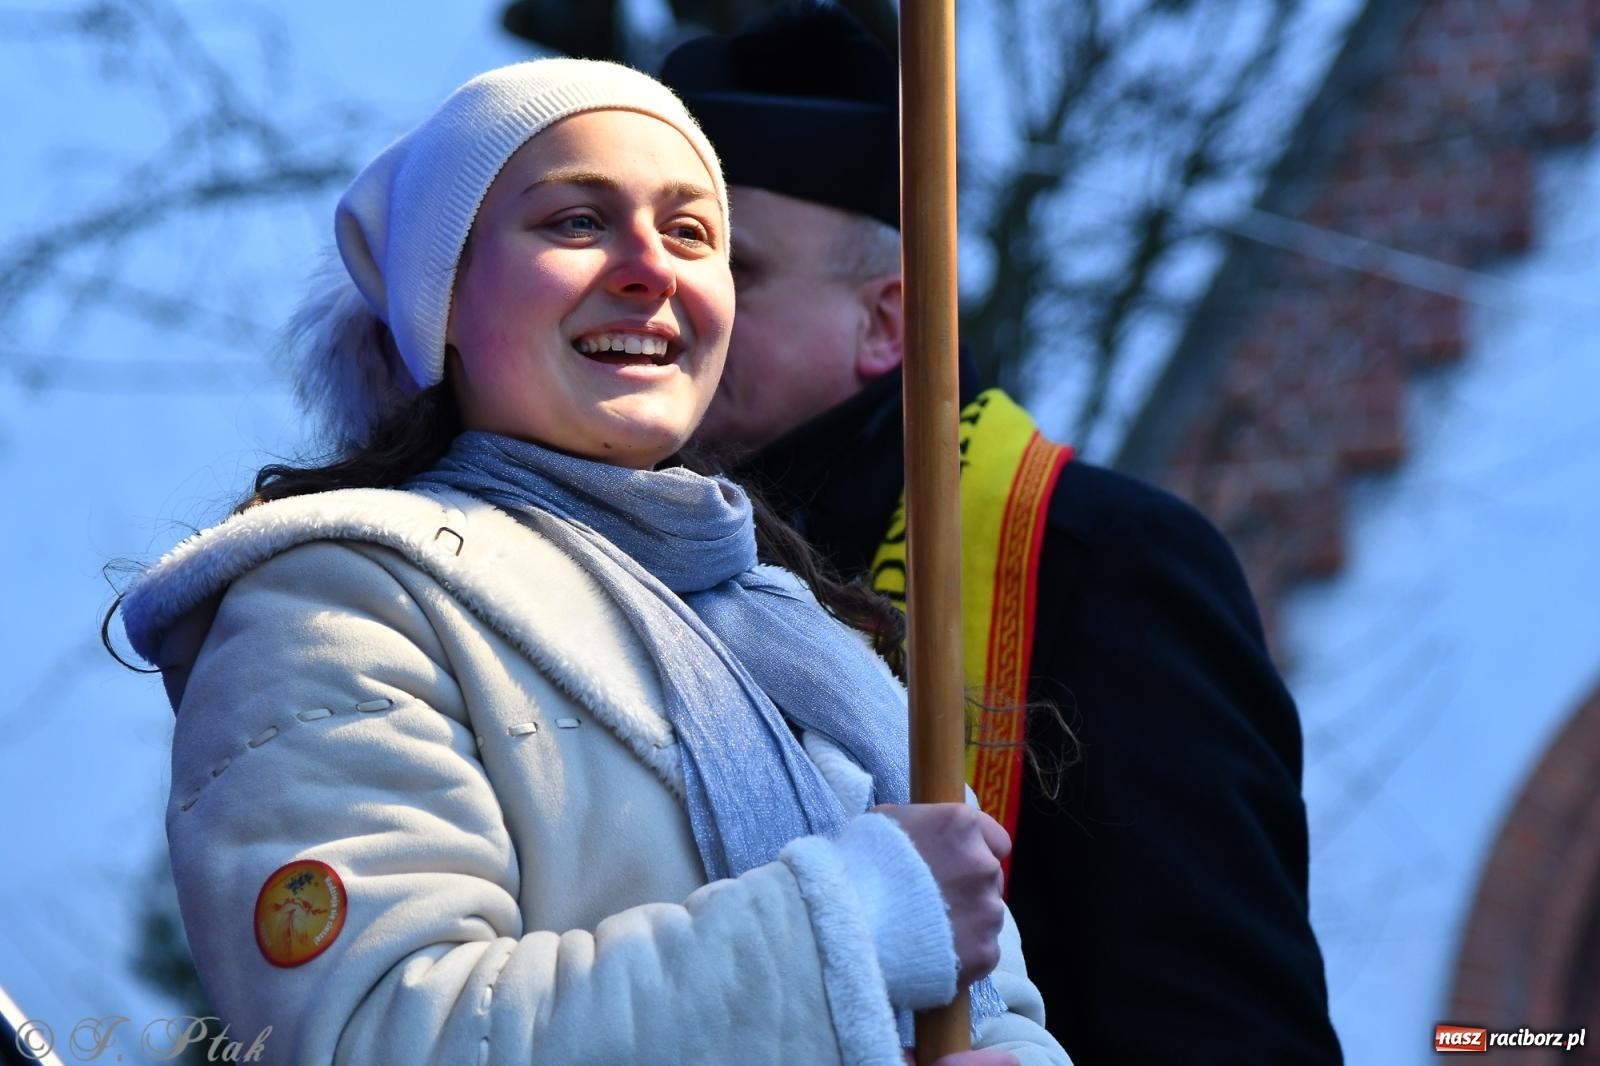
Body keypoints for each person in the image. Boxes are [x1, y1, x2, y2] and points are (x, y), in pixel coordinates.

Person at [116, 58, 1069, 1065]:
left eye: (694, 234)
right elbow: (382, 1033)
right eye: (575, 221)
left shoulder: (807, 646)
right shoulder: (334, 603)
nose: (650, 268)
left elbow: (994, 1002)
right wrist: (857, 914)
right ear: (442, 299)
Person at [659, 5, 1344, 1063]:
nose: (671, 299)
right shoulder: (626, 559)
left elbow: (1227, 1030)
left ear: (887, 321)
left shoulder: (1103, 565)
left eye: (729, 266)